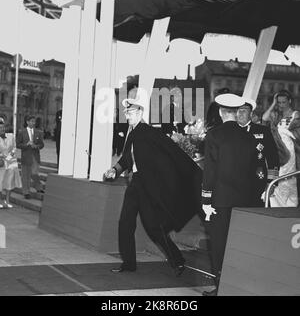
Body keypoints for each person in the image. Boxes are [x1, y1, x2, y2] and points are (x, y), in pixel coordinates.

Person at [103, 97, 202, 276]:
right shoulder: (132, 133)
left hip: (148, 186)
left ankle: (177, 260)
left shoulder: (149, 132)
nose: (127, 116)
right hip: (135, 185)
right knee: (125, 223)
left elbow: (171, 154)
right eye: (126, 113)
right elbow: (127, 158)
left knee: (154, 228)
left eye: (131, 113)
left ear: (140, 113)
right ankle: (129, 264)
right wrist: (114, 170)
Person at [201, 94, 258, 296]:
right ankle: (238, 286)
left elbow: (210, 171)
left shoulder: (214, 135)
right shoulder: (249, 137)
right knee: (238, 244)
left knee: (218, 244)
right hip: (245, 202)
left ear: (221, 112)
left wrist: (206, 199)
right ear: (235, 112)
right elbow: (254, 172)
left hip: (220, 201)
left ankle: (221, 288)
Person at [237, 98, 279, 206]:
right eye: (238, 110)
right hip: (235, 182)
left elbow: (273, 157)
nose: (240, 113)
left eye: (244, 110)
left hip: (257, 180)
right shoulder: (230, 131)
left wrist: (271, 183)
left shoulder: (263, 131)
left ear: (251, 113)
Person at [262, 90, 299, 207]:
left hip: (289, 151)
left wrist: (285, 132)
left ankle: (290, 205)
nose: (281, 105)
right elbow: (264, 117)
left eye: (284, 102)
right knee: (276, 176)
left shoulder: (296, 115)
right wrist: (273, 103)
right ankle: (276, 205)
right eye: (279, 102)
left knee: (287, 178)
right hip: (276, 149)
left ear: (290, 101)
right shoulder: (276, 115)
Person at [16, 115, 44, 199]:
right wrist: (26, 145)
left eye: (34, 121)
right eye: (31, 121)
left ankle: (38, 187)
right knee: (25, 175)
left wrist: (36, 146)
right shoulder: (22, 132)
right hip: (26, 156)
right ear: (27, 122)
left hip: (35, 156)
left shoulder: (38, 132)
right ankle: (26, 192)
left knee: (35, 173)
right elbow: (18, 144)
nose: (33, 123)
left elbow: (42, 144)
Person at [0, 122, 22, 208]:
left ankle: (7, 201)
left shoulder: (11, 136)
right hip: (1, 163)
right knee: (1, 182)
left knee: (9, 182)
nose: (2, 129)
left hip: (11, 163)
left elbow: (14, 147)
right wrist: (3, 157)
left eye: (3, 127)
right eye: (0, 128)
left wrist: (9, 157)